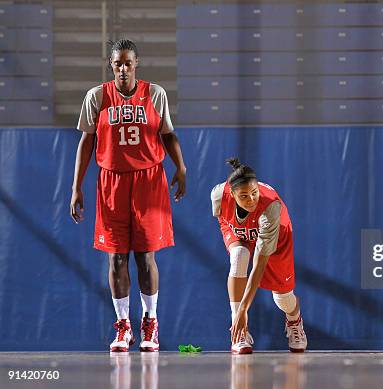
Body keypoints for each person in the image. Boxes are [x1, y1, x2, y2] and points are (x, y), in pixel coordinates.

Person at [70, 39, 187, 352]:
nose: (123, 68)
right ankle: (124, 326)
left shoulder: (155, 93)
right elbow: (86, 142)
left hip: (149, 181)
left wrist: (181, 167)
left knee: (145, 255)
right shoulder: (97, 96)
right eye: (117, 63)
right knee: (117, 256)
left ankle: (151, 324)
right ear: (111, 65)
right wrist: (76, 186)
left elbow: (168, 135)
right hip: (112, 181)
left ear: (137, 64)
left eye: (128, 63)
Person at [211, 158, 307, 354]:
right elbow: (221, 218)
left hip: (275, 234)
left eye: (254, 193)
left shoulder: (270, 207)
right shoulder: (219, 194)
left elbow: (259, 265)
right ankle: (239, 332)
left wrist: (245, 309)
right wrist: (239, 313)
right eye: (244, 196)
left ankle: (294, 319)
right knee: (238, 256)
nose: (251, 199)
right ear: (232, 194)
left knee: (282, 298)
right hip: (240, 231)